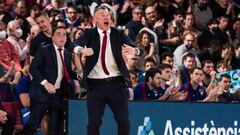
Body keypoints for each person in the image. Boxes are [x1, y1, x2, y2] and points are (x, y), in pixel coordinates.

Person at [73, 5, 143, 135]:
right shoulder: (89, 34)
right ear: (95, 19)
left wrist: (136, 50)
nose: (106, 17)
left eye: (108, 14)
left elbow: (137, 48)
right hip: (95, 85)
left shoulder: (119, 34)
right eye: (102, 15)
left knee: (124, 122)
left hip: (117, 84)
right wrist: (81, 50)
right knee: (93, 123)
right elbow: (73, 45)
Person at [22, 26, 77, 135]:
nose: (62, 36)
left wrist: (80, 75)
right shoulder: (44, 49)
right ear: (52, 38)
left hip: (57, 94)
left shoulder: (67, 53)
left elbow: (68, 73)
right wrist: (45, 83)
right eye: (58, 34)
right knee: (33, 124)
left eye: (64, 34)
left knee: (55, 126)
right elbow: (33, 68)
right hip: (41, 93)